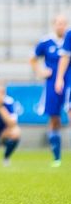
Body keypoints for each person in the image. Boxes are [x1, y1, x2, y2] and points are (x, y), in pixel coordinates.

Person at [30, 14, 69, 166]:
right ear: (54, 25)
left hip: (69, 81)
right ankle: (57, 157)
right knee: (54, 118)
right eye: (59, 24)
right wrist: (40, 71)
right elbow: (32, 58)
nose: (62, 26)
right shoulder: (46, 41)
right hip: (52, 84)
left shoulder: (69, 39)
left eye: (64, 24)